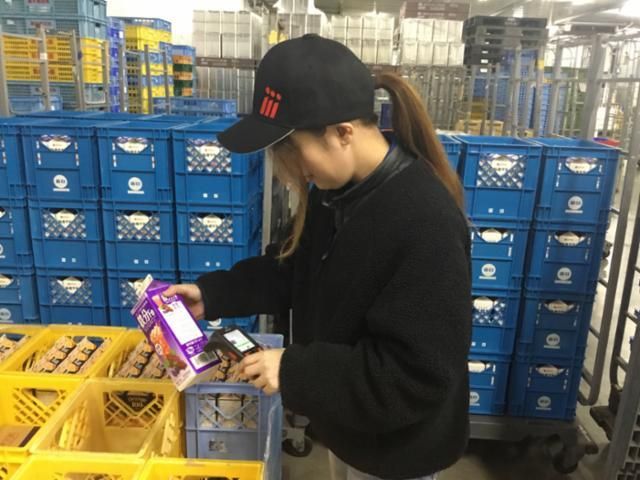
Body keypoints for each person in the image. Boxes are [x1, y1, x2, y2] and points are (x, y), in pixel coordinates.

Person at [164, 34, 471, 480]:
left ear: (342, 133)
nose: (291, 167)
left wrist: (294, 372)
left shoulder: (424, 222)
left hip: (398, 451)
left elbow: (414, 375)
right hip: (350, 425)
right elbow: (294, 269)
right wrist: (212, 294)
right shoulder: (339, 192)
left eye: (292, 149)